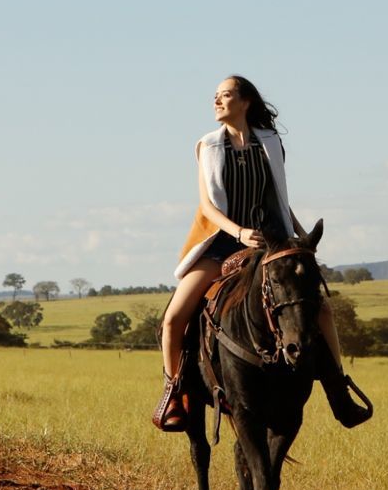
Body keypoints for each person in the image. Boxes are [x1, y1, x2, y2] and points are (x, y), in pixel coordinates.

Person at [152, 75, 370, 431]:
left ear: (245, 101)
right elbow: (206, 207)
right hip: (222, 242)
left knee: (323, 308)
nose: (217, 102)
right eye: (215, 97)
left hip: (271, 242)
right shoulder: (206, 146)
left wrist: (298, 232)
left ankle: (338, 390)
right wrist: (237, 232)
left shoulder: (270, 143)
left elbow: (279, 198)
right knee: (174, 317)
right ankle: (174, 392)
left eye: (225, 96)